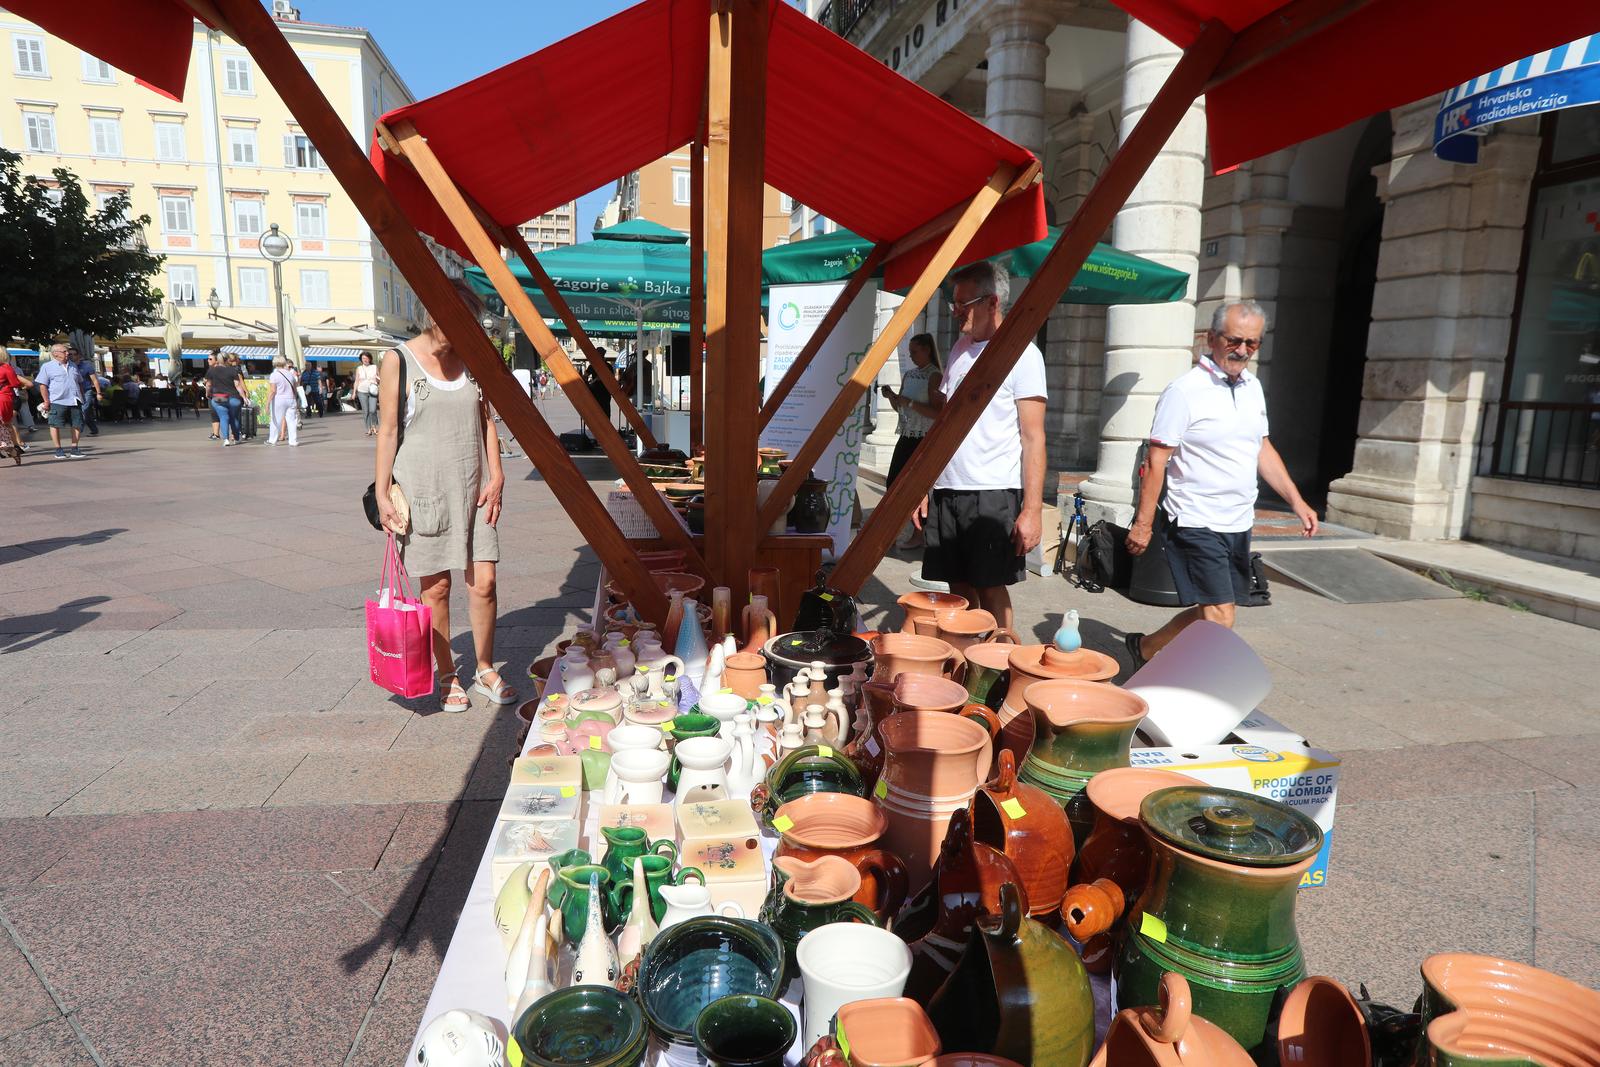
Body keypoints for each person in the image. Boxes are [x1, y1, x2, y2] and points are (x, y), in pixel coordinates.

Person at [1123, 301, 1318, 667]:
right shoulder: (1184, 391)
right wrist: (1144, 523)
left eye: (1253, 343)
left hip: (1237, 521)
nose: (1243, 350)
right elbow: (1156, 460)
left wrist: (1297, 501)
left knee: (1212, 612)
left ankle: (1146, 648)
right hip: (1196, 519)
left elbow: (1262, 448)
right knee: (1221, 618)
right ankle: (1193, 692)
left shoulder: (1252, 388)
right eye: (1234, 340)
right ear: (1211, 338)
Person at [373, 280, 516, 714]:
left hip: (473, 488)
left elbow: (486, 418)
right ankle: (447, 674)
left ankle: (485, 666)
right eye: (459, 320)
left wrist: (498, 473)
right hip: (423, 489)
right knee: (436, 588)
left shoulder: (474, 359)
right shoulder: (399, 359)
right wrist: (381, 493)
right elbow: (390, 430)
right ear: (433, 315)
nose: (469, 330)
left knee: (485, 582)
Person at [912, 261, 1046, 632]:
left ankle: (1001, 664)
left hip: (991, 491)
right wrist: (925, 484)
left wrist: (1032, 510)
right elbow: (943, 424)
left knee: (991, 588)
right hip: (947, 489)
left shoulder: (1024, 355)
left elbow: (1034, 436)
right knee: (957, 589)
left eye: (962, 303)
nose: (955, 311)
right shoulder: (958, 348)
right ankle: (967, 661)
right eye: (953, 302)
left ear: (992, 302)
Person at [880, 333, 944, 549]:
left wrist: (910, 404)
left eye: (915, 351)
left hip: (924, 438)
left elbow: (939, 413)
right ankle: (898, 530)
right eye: (910, 352)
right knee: (894, 482)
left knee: (919, 488)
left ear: (927, 350)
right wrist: (891, 397)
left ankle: (919, 534)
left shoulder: (935, 376)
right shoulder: (909, 375)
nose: (911, 355)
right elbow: (901, 406)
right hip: (907, 435)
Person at [36, 343, 93, 458]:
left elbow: (80, 382)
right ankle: (58, 449)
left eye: (67, 351)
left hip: (74, 399)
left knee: (77, 424)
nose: (68, 353)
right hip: (57, 400)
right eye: (64, 351)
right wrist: (46, 401)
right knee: (55, 424)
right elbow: (43, 386)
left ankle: (74, 448)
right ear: (55, 354)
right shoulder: (47, 367)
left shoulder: (73, 365)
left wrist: (81, 396)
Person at [205, 350, 249, 446]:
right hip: (233, 398)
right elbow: (237, 385)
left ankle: (226, 440)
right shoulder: (232, 370)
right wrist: (244, 397)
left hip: (218, 398)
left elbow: (208, 384)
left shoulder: (212, 370)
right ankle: (236, 438)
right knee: (234, 418)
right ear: (227, 360)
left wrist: (207, 393)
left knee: (223, 417)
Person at [0, 352, 32, 453]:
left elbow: (28, 384)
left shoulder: (11, 370)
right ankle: (15, 445)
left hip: (11, 399)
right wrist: (20, 387)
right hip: (11, 398)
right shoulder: (10, 370)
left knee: (9, 423)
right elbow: (28, 384)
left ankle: (17, 445)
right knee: (9, 423)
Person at [266, 356, 300, 446]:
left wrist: (267, 403)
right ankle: (293, 441)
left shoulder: (274, 375)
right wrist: (295, 399)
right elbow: (295, 389)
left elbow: (273, 391)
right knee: (292, 420)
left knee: (275, 420)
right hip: (291, 399)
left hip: (279, 399)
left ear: (274, 363)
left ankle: (272, 440)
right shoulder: (290, 374)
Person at [355, 353, 380, 436]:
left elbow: (379, 378)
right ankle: (369, 429)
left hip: (373, 390)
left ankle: (375, 426)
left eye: (366, 358)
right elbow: (356, 381)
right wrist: (354, 392)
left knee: (373, 410)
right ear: (361, 359)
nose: (365, 360)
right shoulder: (359, 368)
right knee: (366, 411)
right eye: (363, 358)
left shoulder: (374, 367)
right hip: (361, 391)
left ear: (370, 359)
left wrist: (377, 380)